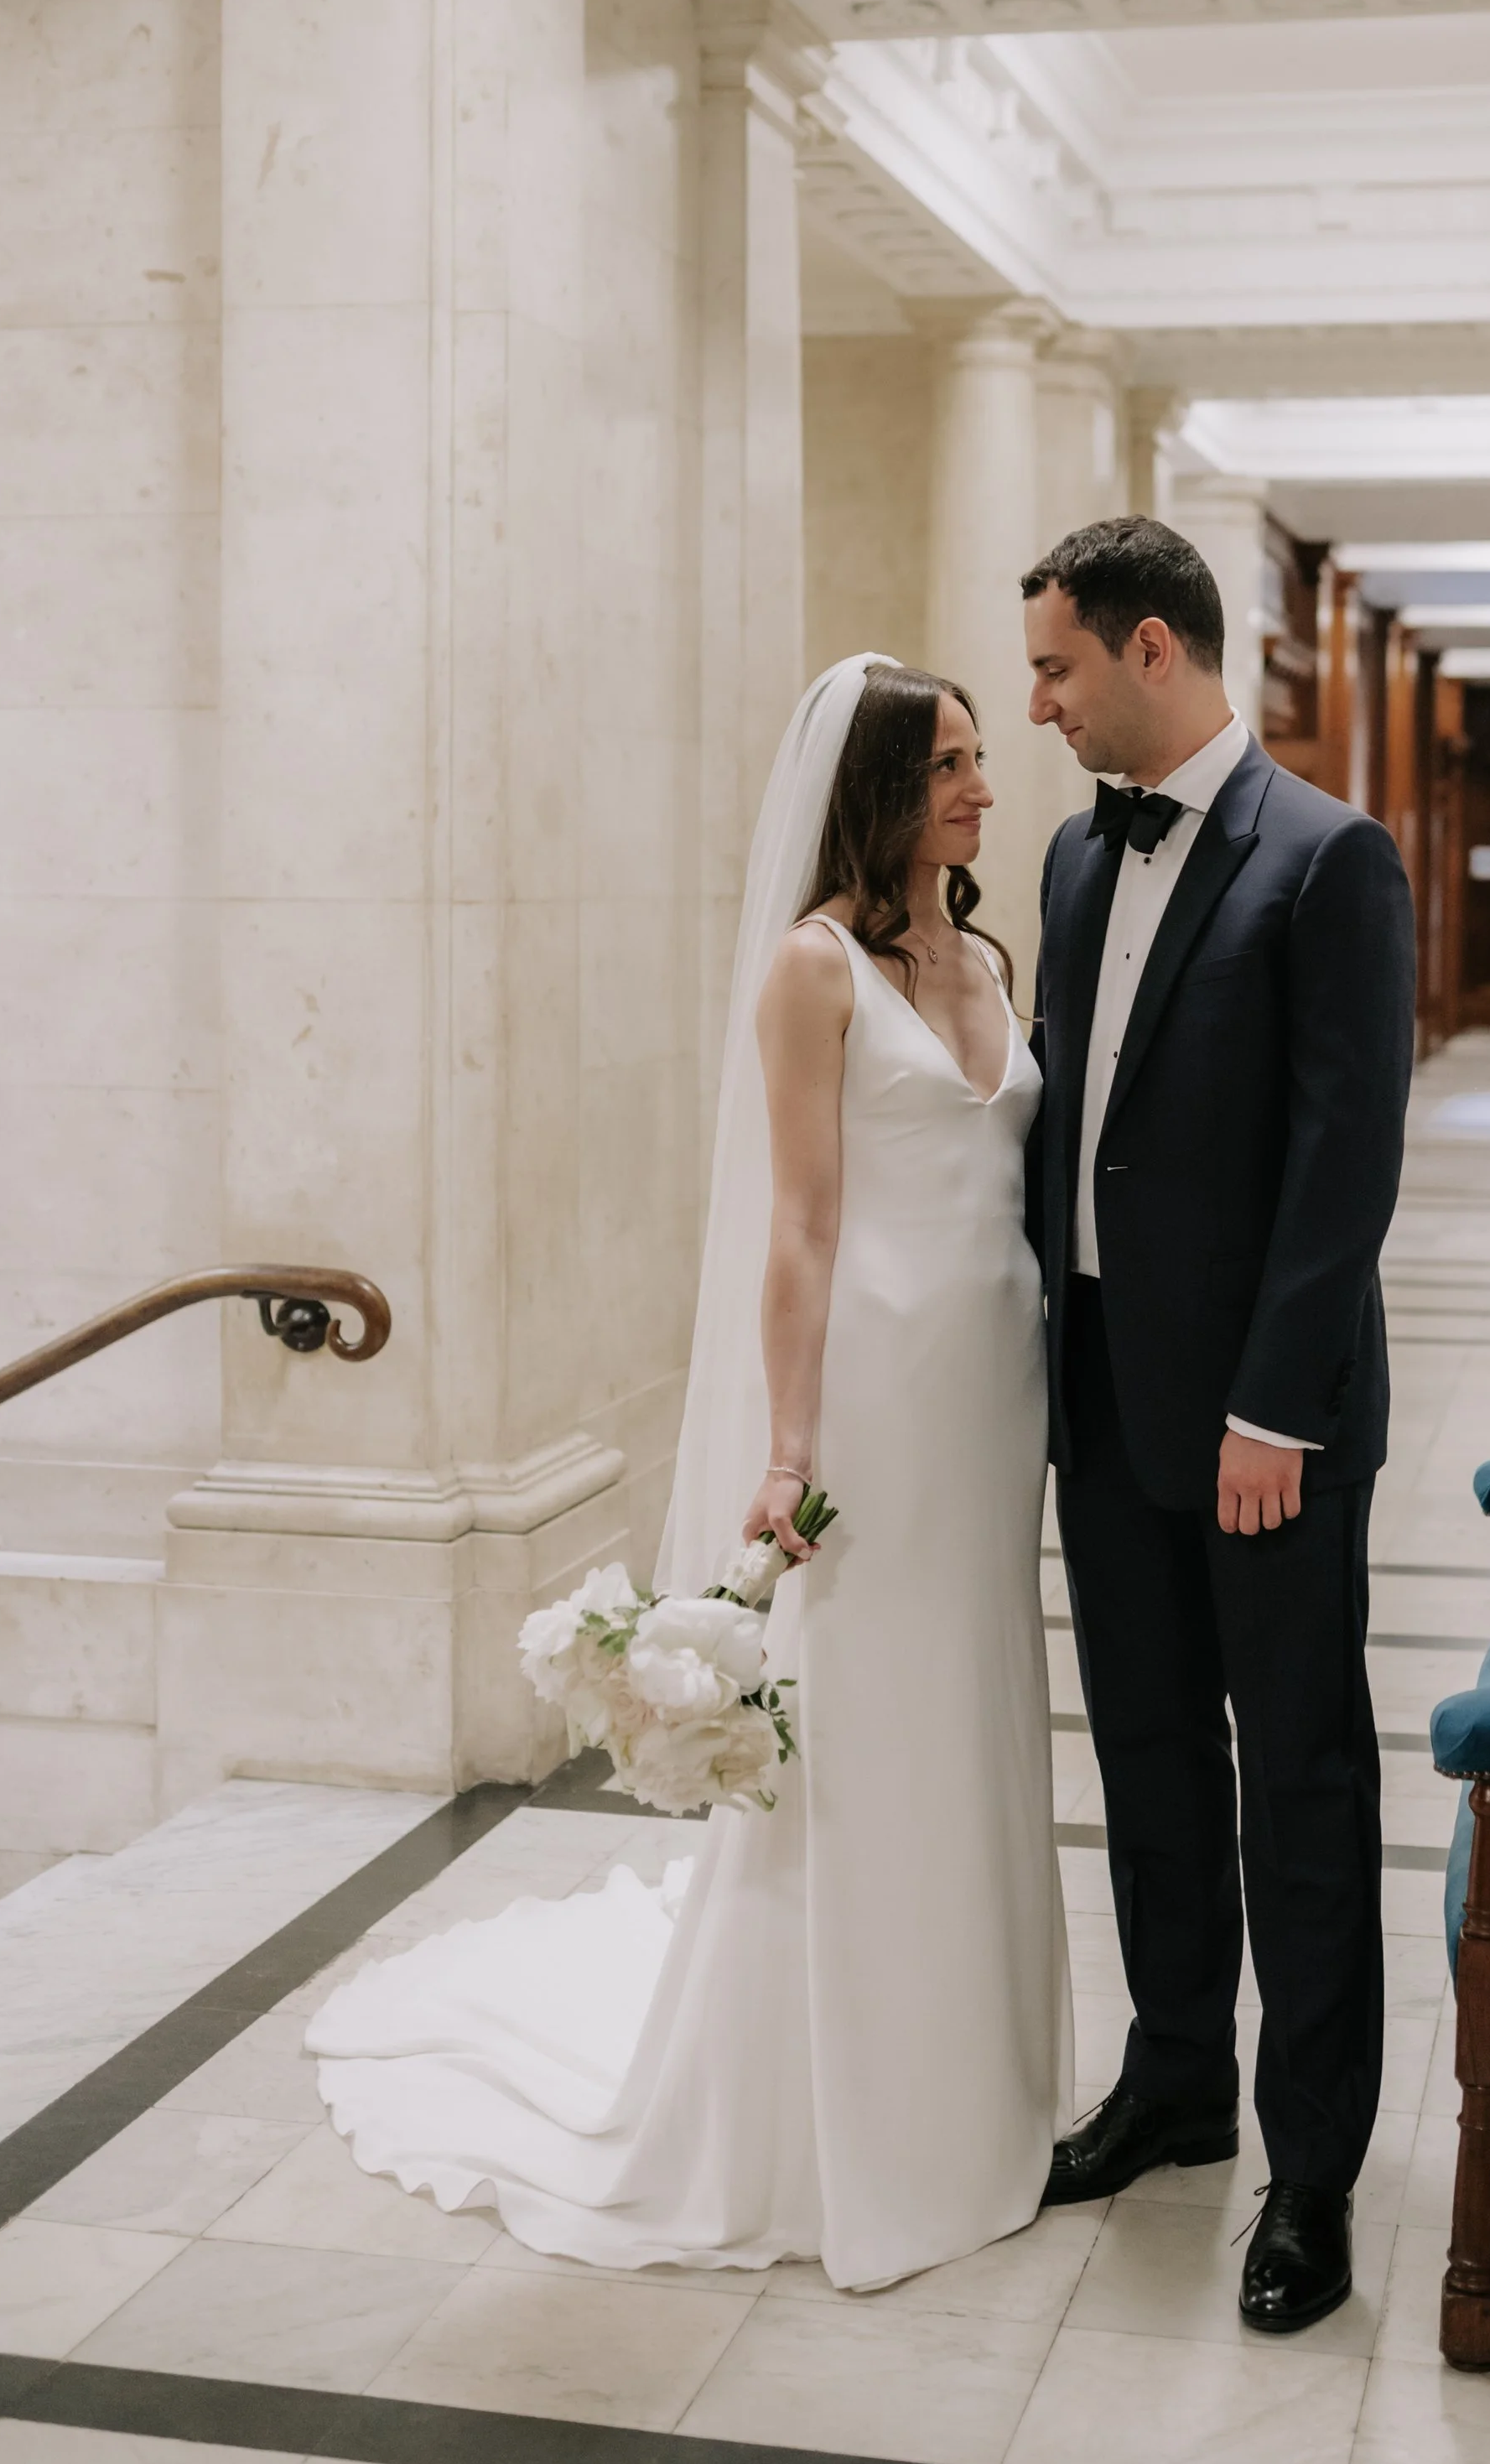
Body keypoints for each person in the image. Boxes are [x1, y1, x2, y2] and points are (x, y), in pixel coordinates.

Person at [307, 658, 1071, 2290]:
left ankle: (979, 2074)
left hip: (995, 1400)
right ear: (880, 788)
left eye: (977, 759)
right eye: (949, 763)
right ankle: (839, 2110)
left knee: (973, 1701)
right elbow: (797, 1224)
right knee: (865, 1716)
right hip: (876, 1394)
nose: (981, 788)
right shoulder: (813, 967)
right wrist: (789, 1446)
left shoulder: (991, 955)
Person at [1023, 515, 1415, 2334]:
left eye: (1057, 667)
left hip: (1268, 1425)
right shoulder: (1069, 856)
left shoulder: (1329, 859)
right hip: (1104, 1396)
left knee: (1301, 1782)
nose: (1040, 703)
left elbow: (1346, 1166)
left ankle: (1310, 2169)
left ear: (1152, 649)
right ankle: (1175, 2075)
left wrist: (1274, 1406)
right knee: (1150, 1758)